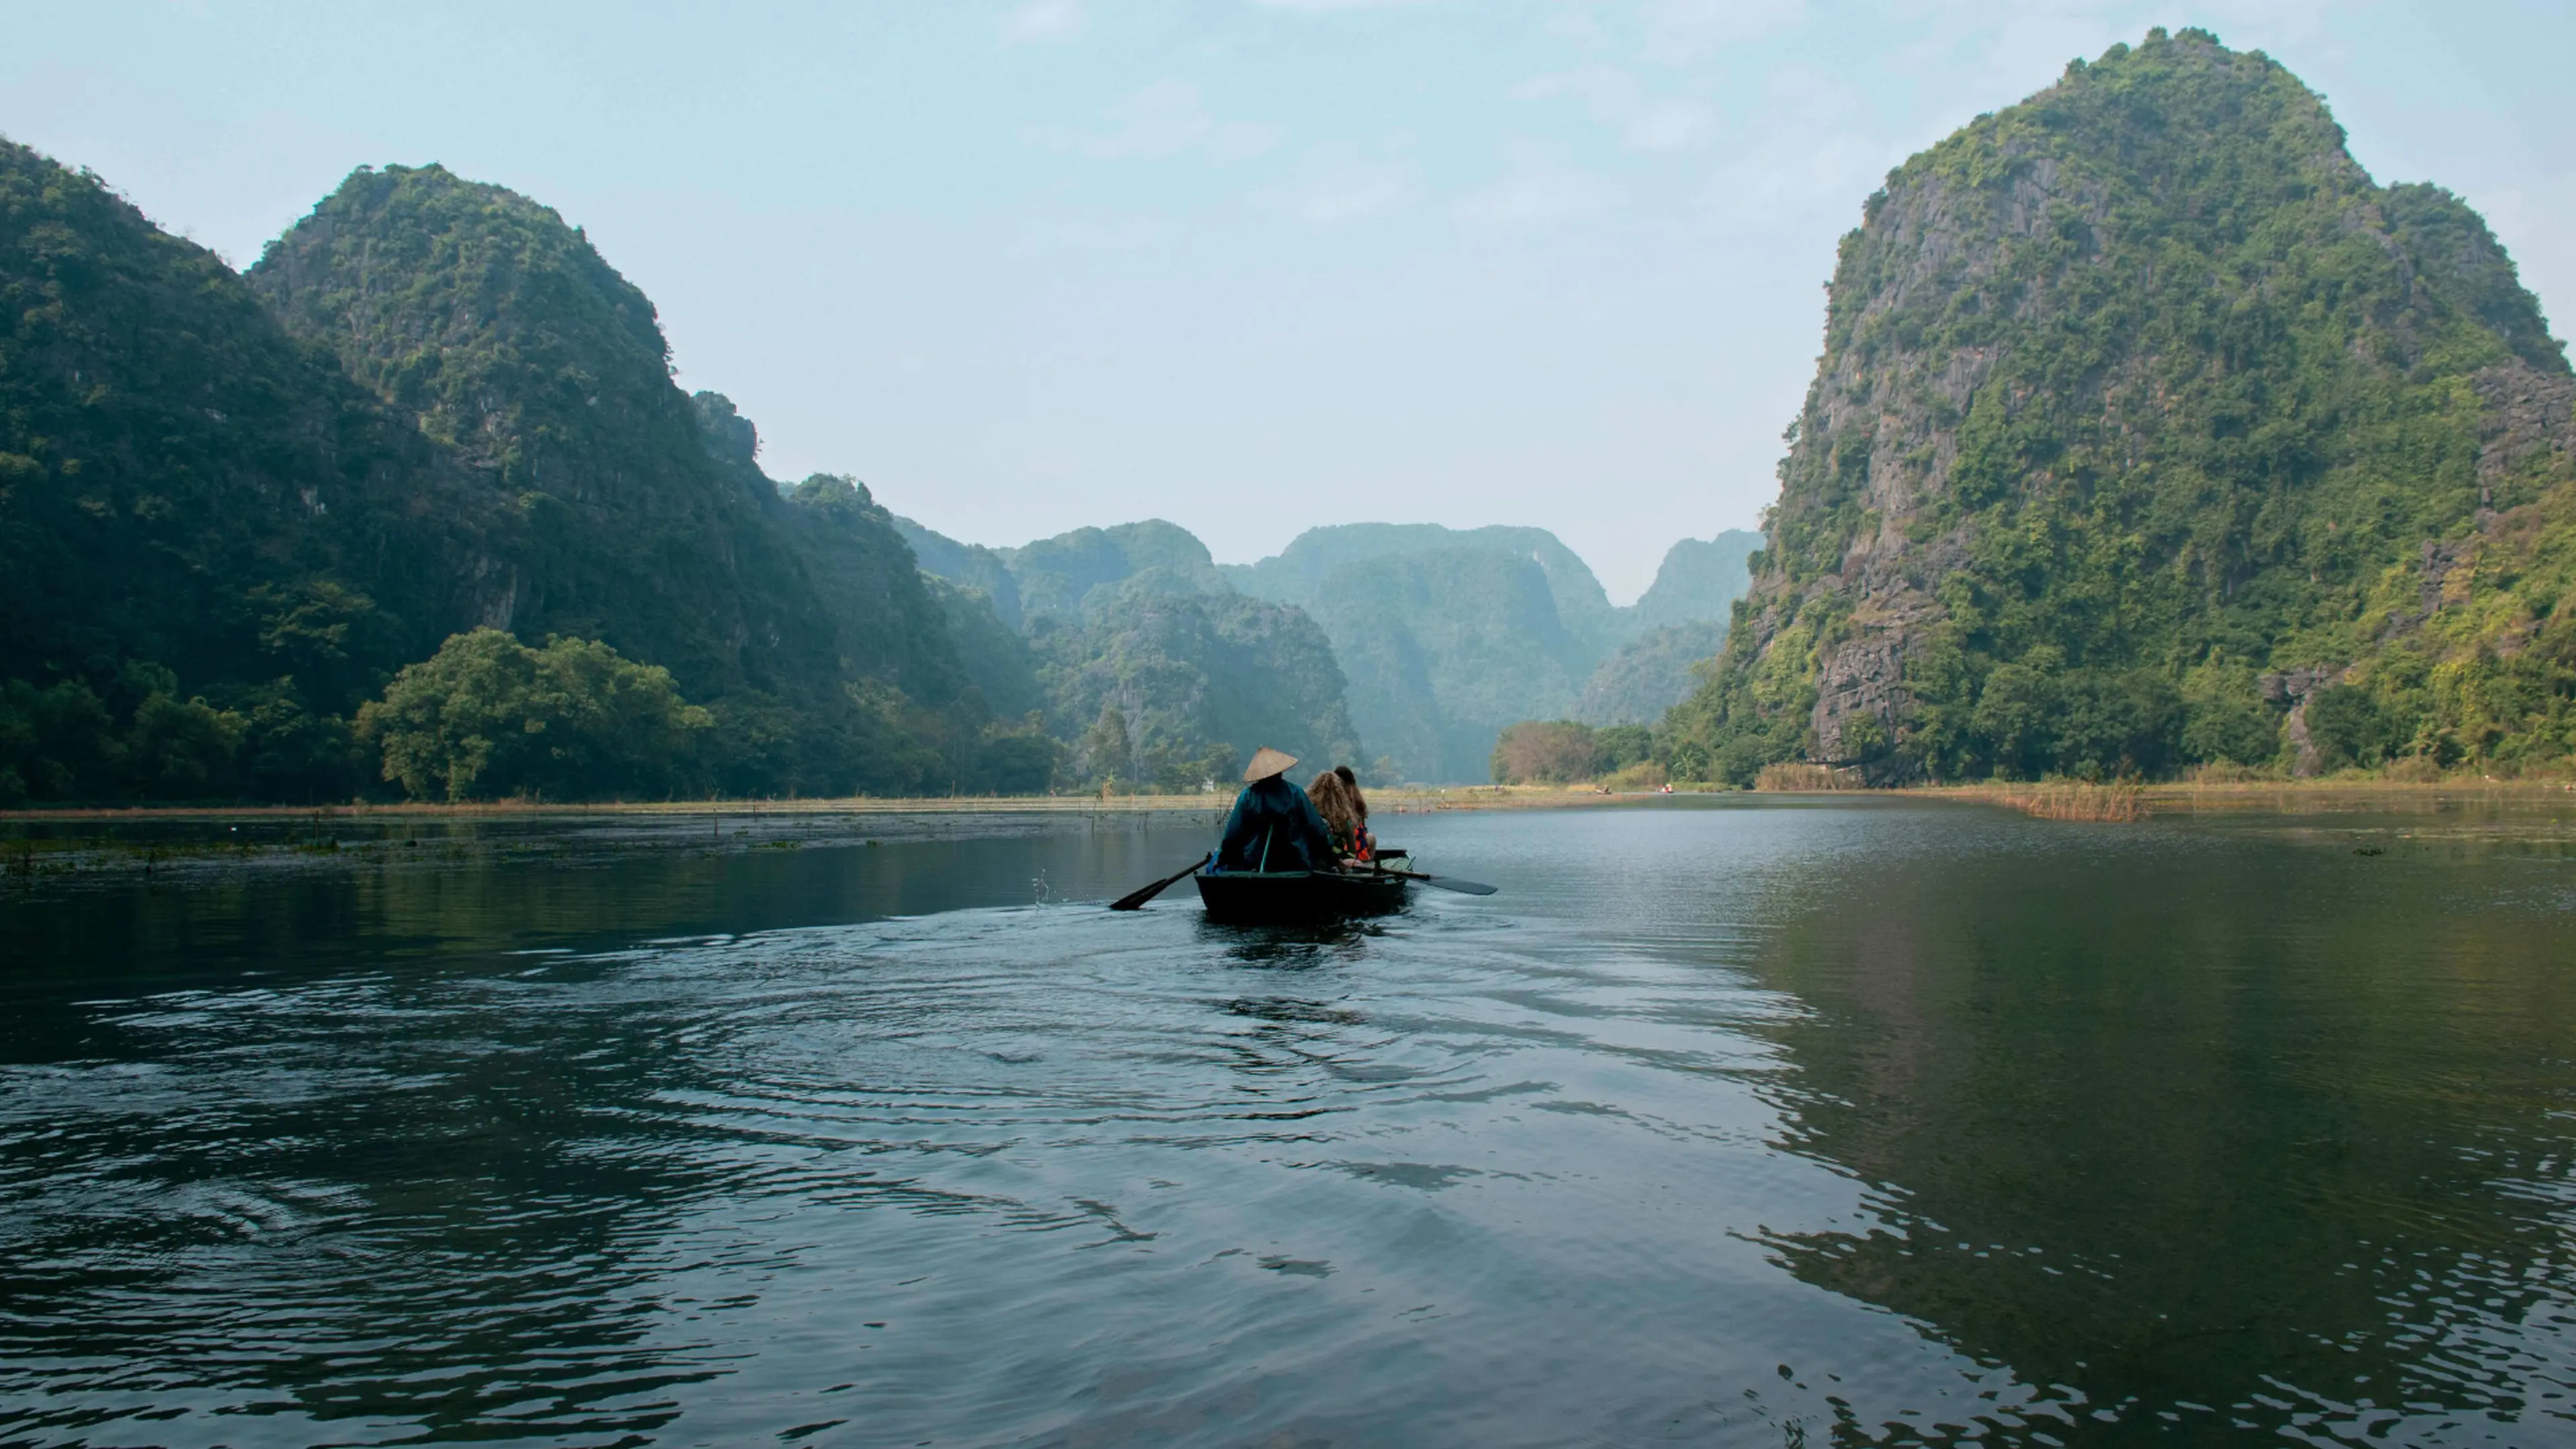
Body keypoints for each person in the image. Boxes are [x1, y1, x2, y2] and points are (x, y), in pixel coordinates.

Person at [1212, 747, 1337, 873]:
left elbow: (1232, 834)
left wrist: (1223, 859)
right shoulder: (1295, 793)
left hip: (1255, 864)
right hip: (1296, 863)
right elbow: (1317, 829)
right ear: (1280, 772)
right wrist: (1332, 859)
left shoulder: (1248, 797)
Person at [1309, 769, 1360, 861]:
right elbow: (1352, 851)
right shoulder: (1345, 818)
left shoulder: (1309, 811)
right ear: (1340, 792)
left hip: (1311, 861)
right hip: (1336, 863)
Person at [1333, 764, 1376, 861]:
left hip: (1342, 846)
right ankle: (1369, 863)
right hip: (1353, 847)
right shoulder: (1357, 798)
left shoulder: (1334, 797)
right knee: (1371, 838)